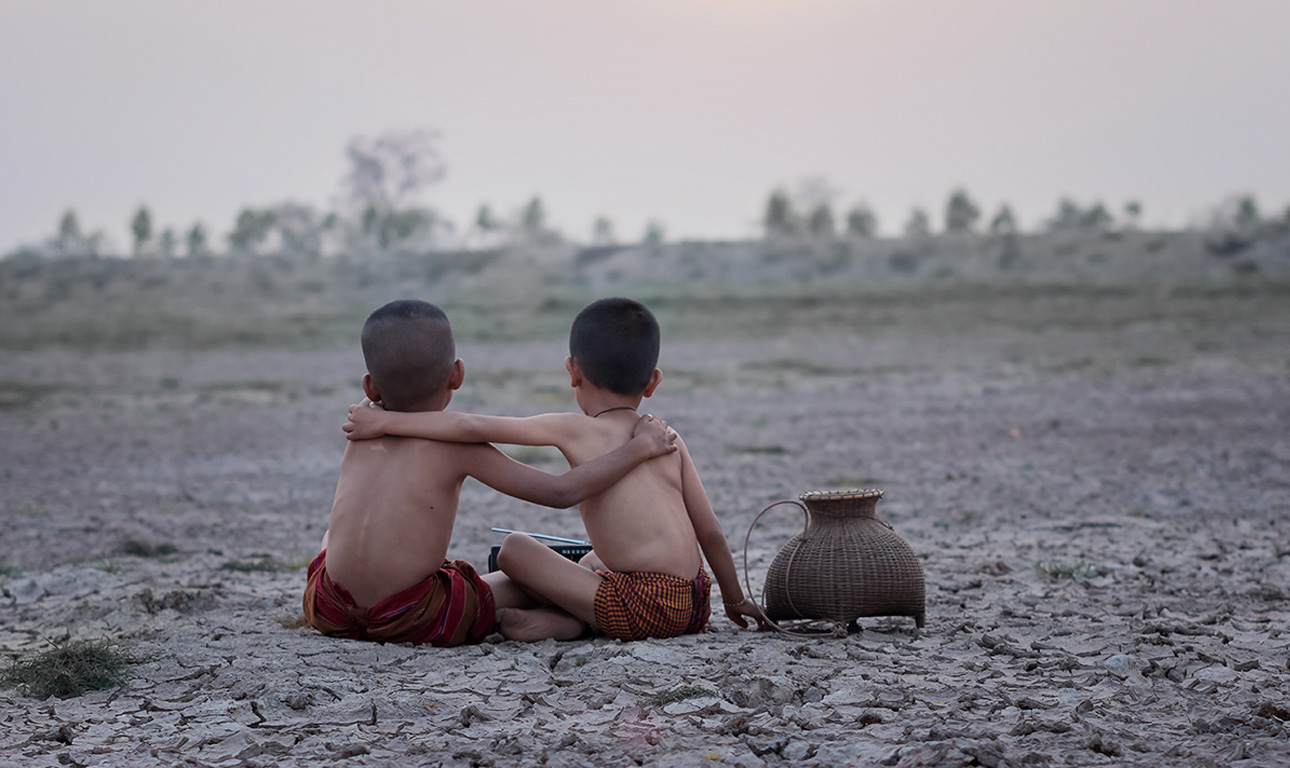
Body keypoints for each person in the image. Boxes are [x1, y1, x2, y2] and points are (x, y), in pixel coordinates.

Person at [345, 297, 772, 642]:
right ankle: (572, 620)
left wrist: (384, 421)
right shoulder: (666, 436)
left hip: (638, 609)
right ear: (653, 381)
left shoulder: (574, 428)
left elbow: (469, 425)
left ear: (573, 371)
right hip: (693, 601)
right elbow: (711, 532)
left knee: (515, 549)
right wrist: (733, 601)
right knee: (592, 558)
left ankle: (573, 623)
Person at [304, 299, 678, 647]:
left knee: (331, 538)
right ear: (457, 375)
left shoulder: (363, 426)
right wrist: (639, 447)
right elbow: (561, 492)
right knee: (523, 577)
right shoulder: (457, 447)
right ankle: (561, 614)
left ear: (369, 385)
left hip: (329, 608)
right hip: (415, 617)